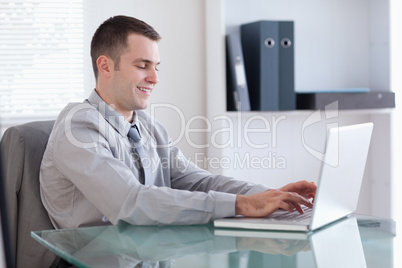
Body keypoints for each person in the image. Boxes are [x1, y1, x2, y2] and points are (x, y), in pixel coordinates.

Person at [40, 15, 316, 229]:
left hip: (145, 253)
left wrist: (269, 196)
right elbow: (131, 202)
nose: (155, 78)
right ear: (105, 66)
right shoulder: (78, 127)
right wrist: (242, 204)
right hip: (92, 259)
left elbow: (196, 182)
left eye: (156, 67)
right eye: (142, 65)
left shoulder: (147, 127)